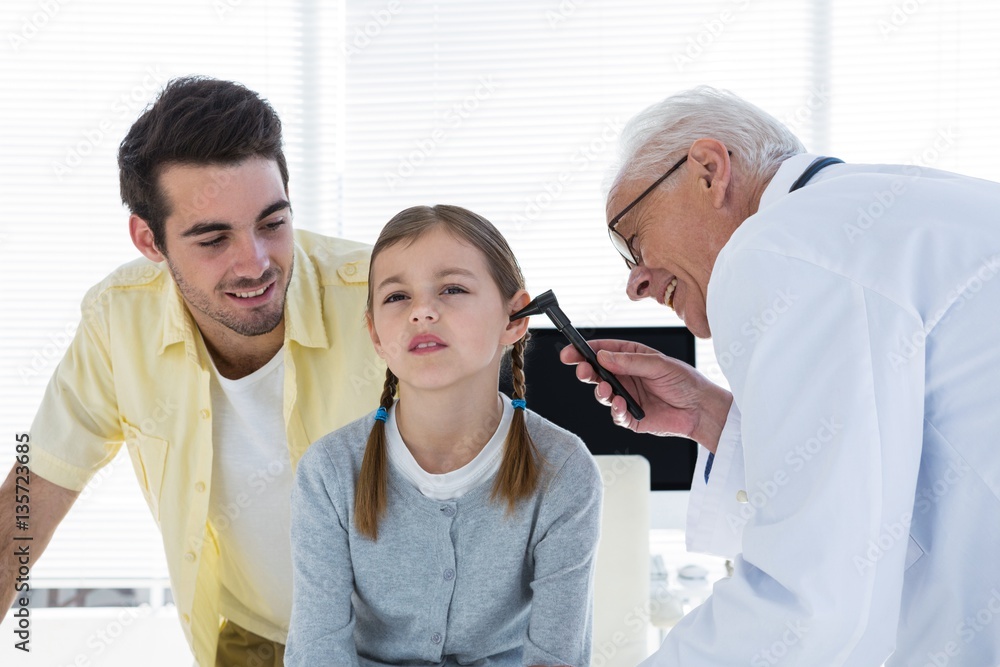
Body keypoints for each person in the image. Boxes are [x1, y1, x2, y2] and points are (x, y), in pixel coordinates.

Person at [562, 86, 1000, 665]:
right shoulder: (874, 216)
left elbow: (812, 602)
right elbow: (888, 475)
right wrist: (713, 418)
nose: (635, 283)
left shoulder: (779, 247)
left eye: (632, 238)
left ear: (708, 170)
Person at [0, 77, 384, 666]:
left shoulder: (383, 292)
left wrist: (578, 379)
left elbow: (514, 405)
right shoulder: (117, 321)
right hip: (255, 640)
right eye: (212, 238)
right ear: (149, 240)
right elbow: (30, 497)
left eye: (272, 223)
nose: (255, 262)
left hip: (410, 644)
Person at [286, 205, 603, 667]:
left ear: (514, 319)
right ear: (375, 334)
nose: (423, 312)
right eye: (397, 297)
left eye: (452, 289)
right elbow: (318, 653)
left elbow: (557, 658)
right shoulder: (328, 473)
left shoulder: (564, 469)